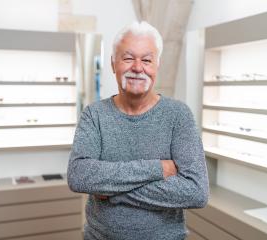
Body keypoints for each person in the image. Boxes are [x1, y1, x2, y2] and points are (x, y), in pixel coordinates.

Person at [67, 21, 209, 240]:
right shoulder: (93, 114)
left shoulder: (179, 116)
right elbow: (79, 175)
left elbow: (196, 192)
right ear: (113, 63)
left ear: (157, 66)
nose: (137, 67)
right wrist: (157, 169)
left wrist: (112, 191)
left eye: (146, 60)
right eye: (128, 58)